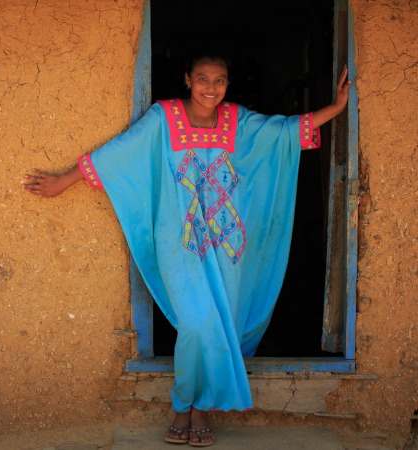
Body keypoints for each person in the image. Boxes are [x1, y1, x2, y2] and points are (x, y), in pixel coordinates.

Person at [23, 53, 351, 447]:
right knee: (196, 323)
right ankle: (185, 405)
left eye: (219, 80)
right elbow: (118, 152)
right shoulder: (164, 119)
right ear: (187, 80)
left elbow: (281, 133)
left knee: (220, 323)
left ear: (228, 84)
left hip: (228, 245)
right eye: (202, 79)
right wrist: (65, 180)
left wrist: (335, 107)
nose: (210, 88)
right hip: (180, 243)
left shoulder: (238, 121)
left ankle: (198, 410)